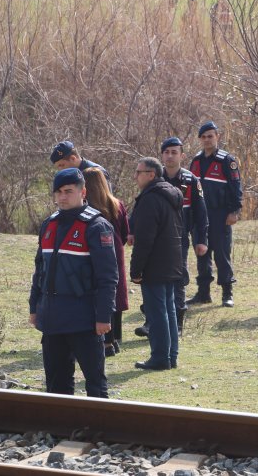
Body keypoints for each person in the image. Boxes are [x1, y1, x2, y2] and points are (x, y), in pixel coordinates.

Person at [28, 168, 118, 398]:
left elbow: (107, 278)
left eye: (68, 191)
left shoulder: (97, 227)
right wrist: (33, 307)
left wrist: (104, 317)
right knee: (56, 386)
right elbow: (40, 270)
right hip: (52, 318)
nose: (62, 197)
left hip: (84, 320)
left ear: (83, 191)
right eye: (58, 192)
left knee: (95, 384)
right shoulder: (49, 224)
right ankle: (61, 431)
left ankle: (98, 430)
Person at [129, 157, 185, 371]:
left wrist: (136, 269)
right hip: (172, 260)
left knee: (157, 312)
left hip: (155, 263)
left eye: (139, 171)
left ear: (151, 174)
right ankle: (170, 356)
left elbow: (144, 240)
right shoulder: (171, 195)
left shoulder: (150, 199)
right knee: (168, 309)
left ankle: (161, 357)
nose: (135, 176)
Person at [187, 121, 243, 307]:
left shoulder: (227, 161)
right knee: (201, 253)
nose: (207, 140)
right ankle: (203, 293)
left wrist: (234, 211)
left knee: (221, 254)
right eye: (203, 137)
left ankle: (227, 293)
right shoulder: (195, 161)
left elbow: (236, 188)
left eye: (210, 136)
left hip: (220, 214)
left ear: (217, 137)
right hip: (199, 215)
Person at [161, 136, 209, 332]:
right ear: (162, 155)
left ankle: (178, 323)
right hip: (156, 239)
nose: (170, 156)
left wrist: (201, 240)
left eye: (174, 152)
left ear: (182, 155)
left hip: (179, 239)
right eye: (166, 152)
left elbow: (201, 213)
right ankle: (154, 321)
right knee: (156, 280)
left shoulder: (191, 180)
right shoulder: (154, 177)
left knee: (178, 279)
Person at [82, 167, 129, 358]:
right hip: (116, 252)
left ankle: (107, 342)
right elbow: (125, 232)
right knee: (115, 294)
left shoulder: (87, 208)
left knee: (102, 294)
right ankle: (116, 338)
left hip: (98, 253)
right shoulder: (117, 204)